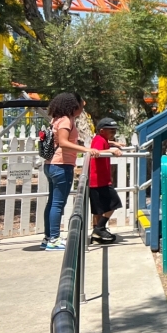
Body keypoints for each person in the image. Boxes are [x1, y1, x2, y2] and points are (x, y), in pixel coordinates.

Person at [42, 92, 100, 250]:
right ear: (74, 105)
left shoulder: (57, 119)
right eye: (81, 105)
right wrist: (86, 149)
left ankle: (48, 237)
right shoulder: (66, 120)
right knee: (57, 204)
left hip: (52, 165)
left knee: (52, 202)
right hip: (61, 165)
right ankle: (54, 239)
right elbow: (63, 142)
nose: (82, 109)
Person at [89, 117, 123, 243]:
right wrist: (111, 150)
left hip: (97, 180)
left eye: (115, 131)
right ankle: (100, 228)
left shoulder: (101, 139)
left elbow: (103, 145)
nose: (114, 133)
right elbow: (97, 151)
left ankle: (96, 234)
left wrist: (113, 144)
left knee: (98, 209)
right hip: (100, 180)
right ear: (102, 131)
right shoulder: (99, 140)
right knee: (114, 203)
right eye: (111, 131)